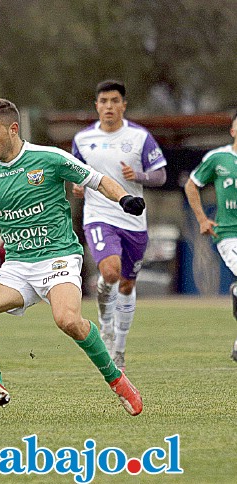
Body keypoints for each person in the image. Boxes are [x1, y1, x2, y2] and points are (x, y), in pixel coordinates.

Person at [0, 98, 145, 416]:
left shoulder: (49, 159)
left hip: (59, 258)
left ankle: (118, 381)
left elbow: (97, 180)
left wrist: (125, 198)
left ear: (13, 128)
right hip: (16, 266)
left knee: (67, 320)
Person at [71, 80, 167, 371]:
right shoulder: (83, 139)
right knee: (110, 271)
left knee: (127, 283)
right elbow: (75, 171)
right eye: (103, 101)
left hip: (133, 219)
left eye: (115, 101)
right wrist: (77, 184)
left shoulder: (139, 137)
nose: (109, 106)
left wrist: (137, 176)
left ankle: (120, 348)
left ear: (123, 105)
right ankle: (105, 325)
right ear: (96, 105)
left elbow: (161, 176)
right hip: (99, 215)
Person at [184, 110, 237, 362]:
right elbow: (191, 184)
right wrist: (202, 219)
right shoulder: (218, 158)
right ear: (233, 130)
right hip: (228, 234)